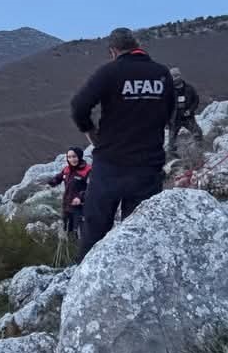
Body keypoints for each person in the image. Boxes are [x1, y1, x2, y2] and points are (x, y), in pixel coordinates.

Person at [70, 27, 175, 258]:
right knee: (138, 235)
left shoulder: (110, 72)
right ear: (137, 45)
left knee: (95, 232)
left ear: (113, 51)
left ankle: (81, 283)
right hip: (147, 167)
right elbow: (170, 112)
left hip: (110, 164)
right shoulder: (162, 74)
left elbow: (78, 106)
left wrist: (90, 131)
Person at [46, 146, 91, 242]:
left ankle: (82, 253)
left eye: (74, 156)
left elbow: (92, 188)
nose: (71, 159)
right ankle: (70, 251)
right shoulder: (67, 169)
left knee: (79, 232)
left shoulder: (87, 171)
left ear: (79, 156)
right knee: (67, 230)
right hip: (67, 205)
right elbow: (59, 177)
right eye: (69, 157)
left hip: (80, 207)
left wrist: (80, 198)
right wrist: (51, 182)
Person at [166, 67, 203, 157]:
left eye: (176, 76)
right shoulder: (168, 90)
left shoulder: (189, 88)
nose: (174, 79)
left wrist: (190, 110)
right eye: (172, 77)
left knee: (198, 133)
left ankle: (199, 152)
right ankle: (172, 157)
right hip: (174, 118)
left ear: (179, 76)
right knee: (171, 141)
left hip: (188, 117)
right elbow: (164, 105)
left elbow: (195, 100)